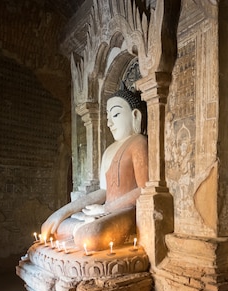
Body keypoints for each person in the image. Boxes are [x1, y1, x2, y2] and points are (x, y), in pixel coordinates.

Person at [41, 82, 149, 252]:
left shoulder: (139, 143)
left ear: (135, 116)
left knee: (91, 235)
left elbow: (144, 189)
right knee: (55, 227)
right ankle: (80, 229)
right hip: (103, 212)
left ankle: (82, 230)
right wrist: (62, 212)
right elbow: (103, 191)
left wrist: (106, 209)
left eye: (116, 114)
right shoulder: (108, 151)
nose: (110, 123)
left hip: (127, 210)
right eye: (108, 116)